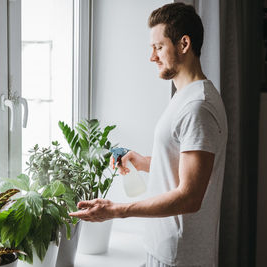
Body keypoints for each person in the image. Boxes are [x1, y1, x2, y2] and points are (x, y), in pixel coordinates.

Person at [69, 3, 228, 267]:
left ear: (184, 44)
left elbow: (190, 196)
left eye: (158, 47)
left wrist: (117, 210)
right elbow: (187, 167)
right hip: (166, 249)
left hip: (179, 257)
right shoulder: (187, 97)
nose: (151, 57)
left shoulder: (198, 106)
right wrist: (143, 162)